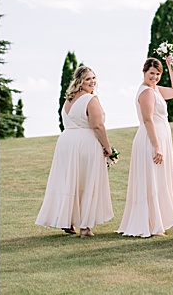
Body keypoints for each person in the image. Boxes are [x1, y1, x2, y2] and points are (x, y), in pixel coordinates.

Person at [35, 66, 114, 237]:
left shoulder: (69, 100)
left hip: (66, 142)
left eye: (94, 78)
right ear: (79, 81)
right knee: (86, 183)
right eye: (88, 79)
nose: (92, 82)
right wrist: (107, 147)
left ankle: (68, 221)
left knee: (69, 181)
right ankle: (85, 227)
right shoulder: (91, 99)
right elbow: (97, 126)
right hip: (84, 143)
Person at [117, 55, 173, 237]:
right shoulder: (146, 91)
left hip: (160, 138)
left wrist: (171, 66)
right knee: (152, 179)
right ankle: (151, 224)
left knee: (159, 179)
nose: (154, 77)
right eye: (151, 73)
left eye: (157, 74)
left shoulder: (156, 90)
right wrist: (157, 146)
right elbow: (148, 119)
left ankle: (156, 221)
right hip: (150, 140)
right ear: (144, 72)